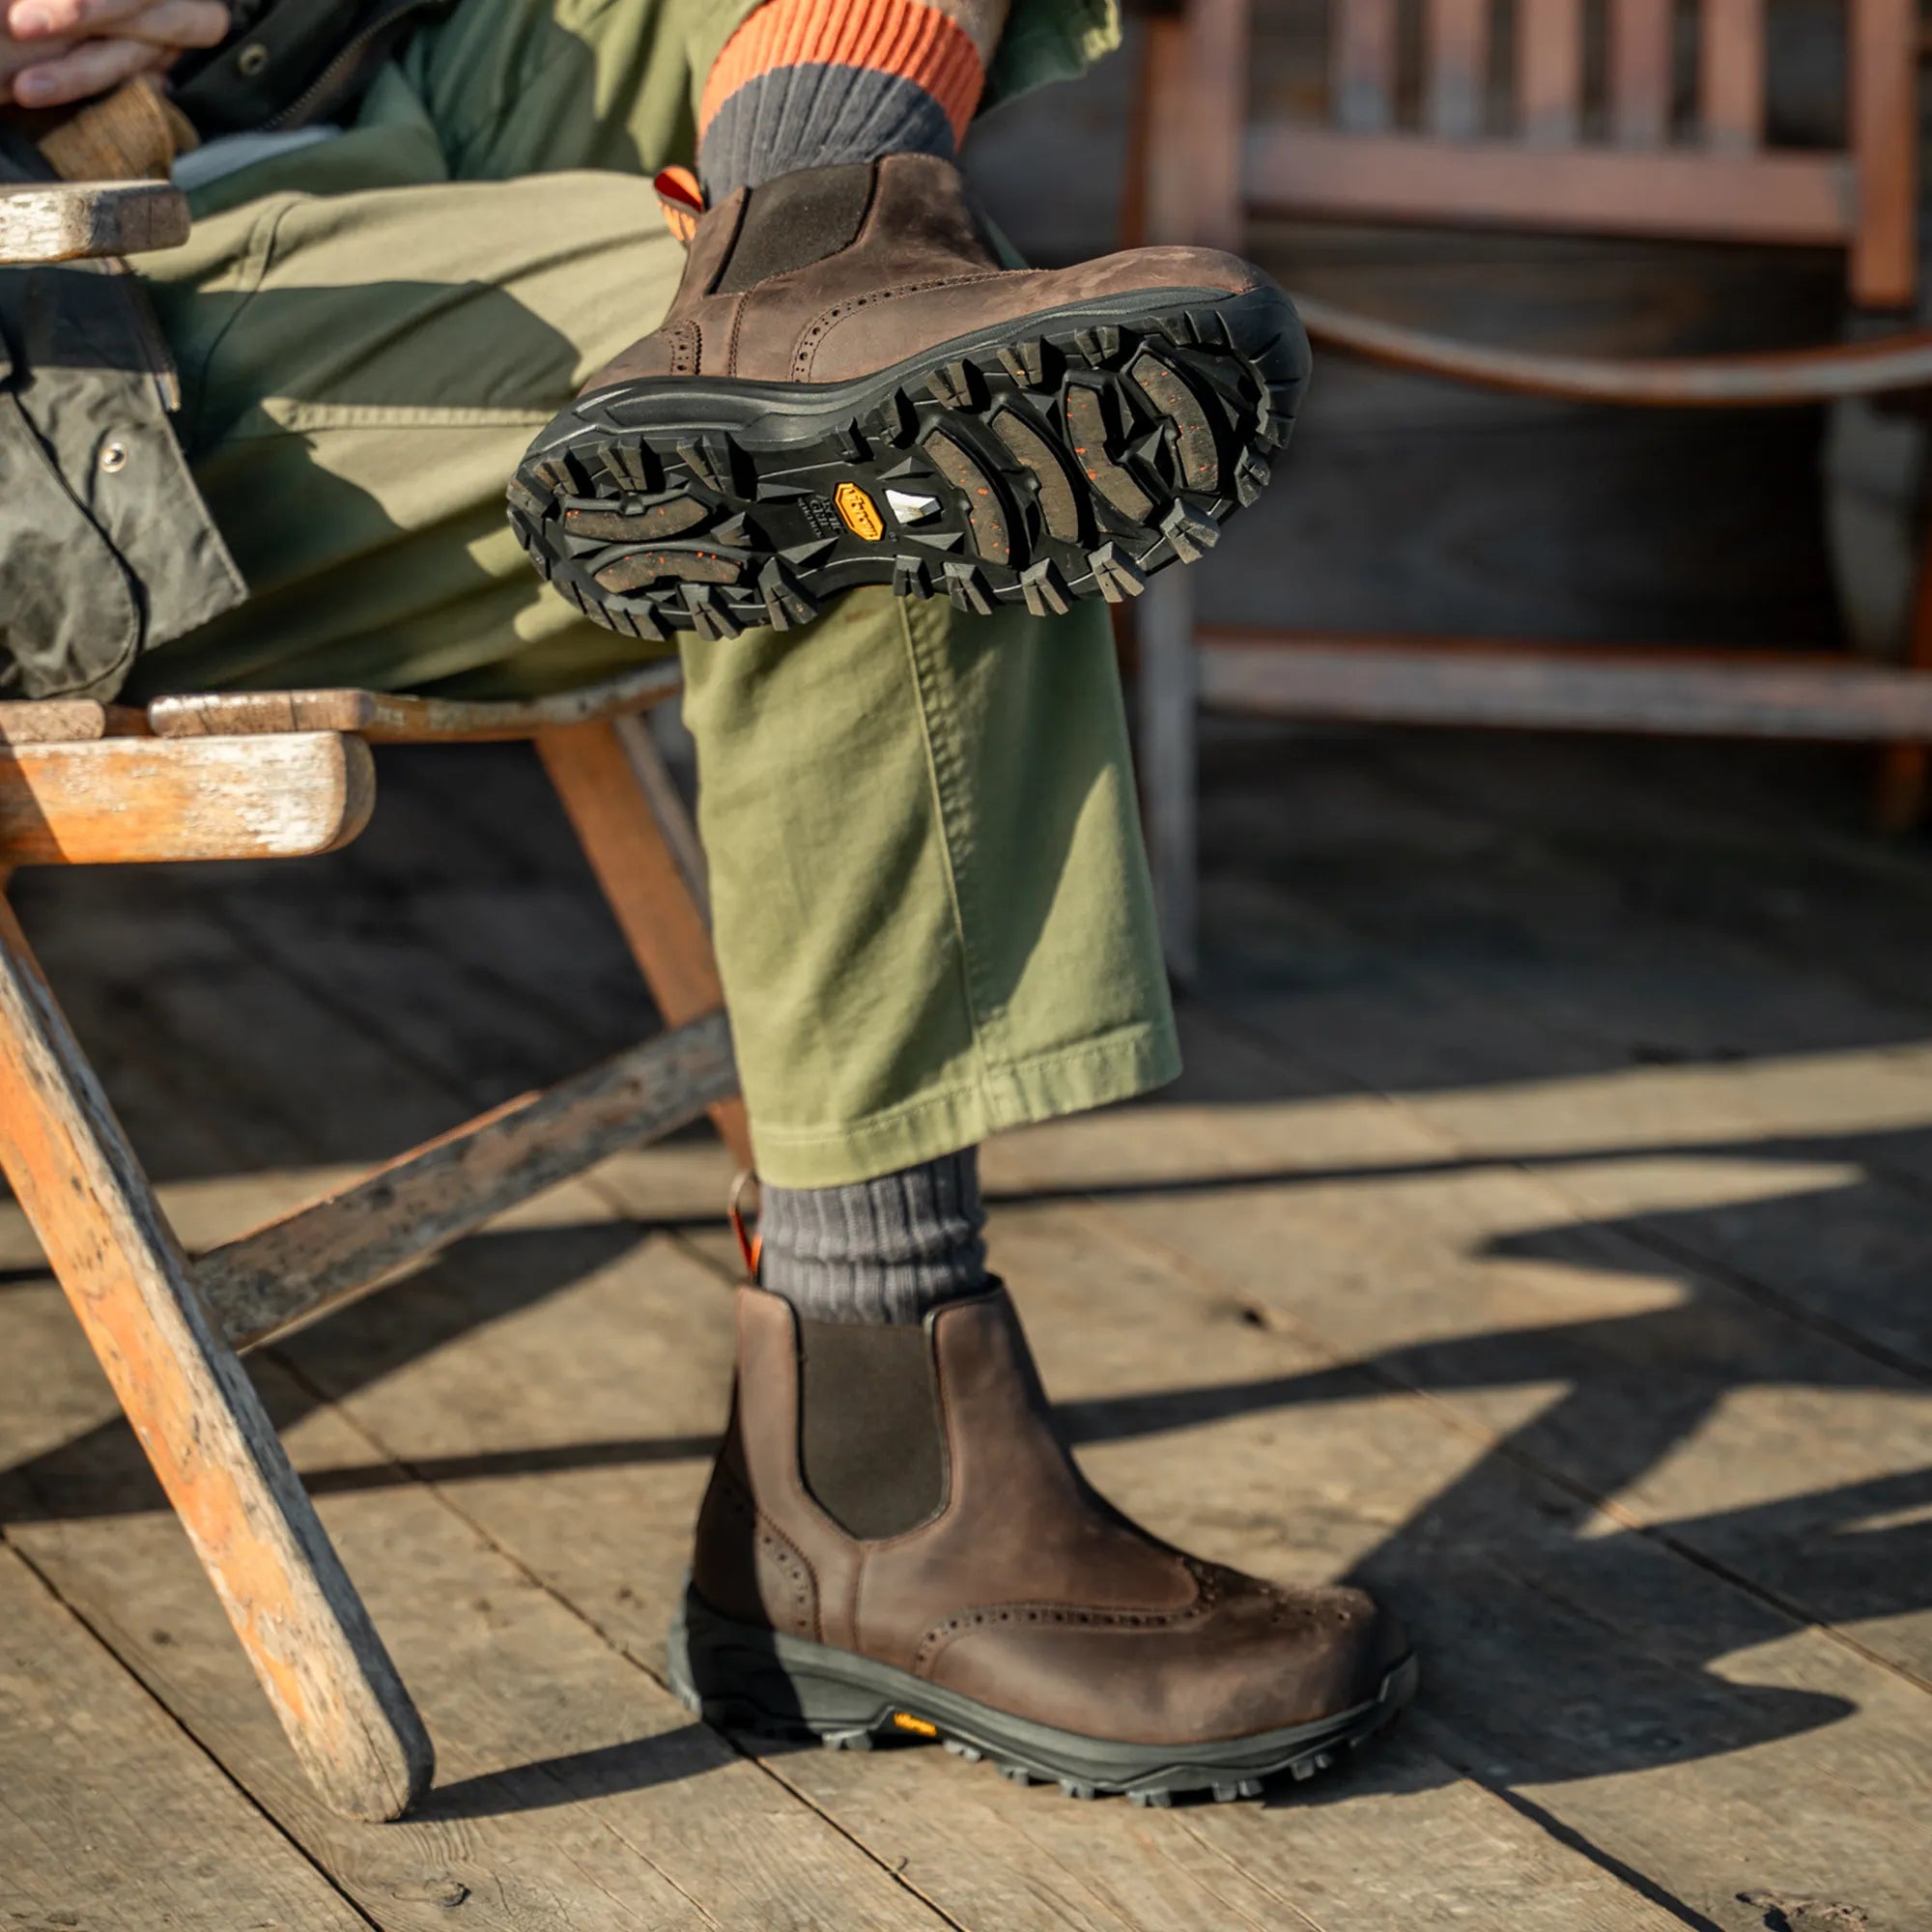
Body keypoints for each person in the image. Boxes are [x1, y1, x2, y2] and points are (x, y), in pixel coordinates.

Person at [0, 0, 1414, 1803]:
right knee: (854, 434)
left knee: (852, 346)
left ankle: (819, 251)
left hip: (308, 92)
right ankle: (881, 1488)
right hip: (71, 313)